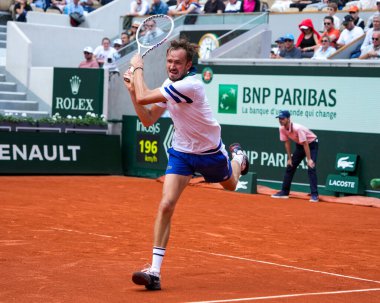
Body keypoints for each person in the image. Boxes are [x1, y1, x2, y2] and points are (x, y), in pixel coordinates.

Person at [124, 38, 249, 291]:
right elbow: (147, 119)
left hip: (210, 151)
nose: (172, 66)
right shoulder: (168, 85)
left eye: (177, 62)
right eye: (169, 61)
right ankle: (155, 273)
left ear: (188, 64)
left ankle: (238, 158)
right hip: (182, 152)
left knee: (231, 185)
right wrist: (131, 91)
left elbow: (145, 94)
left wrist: (138, 68)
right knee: (166, 204)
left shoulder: (191, 85)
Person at [271, 110, 319, 202]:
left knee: (311, 167)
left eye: (282, 118)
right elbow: (287, 142)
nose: (280, 120)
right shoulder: (281, 128)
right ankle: (284, 192)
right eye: (279, 118)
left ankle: (314, 195)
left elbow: (305, 144)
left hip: (312, 144)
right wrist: (289, 158)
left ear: (288, 119)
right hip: (300, 145)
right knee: (290, 166)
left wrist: (309, 160)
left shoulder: (298, 128)